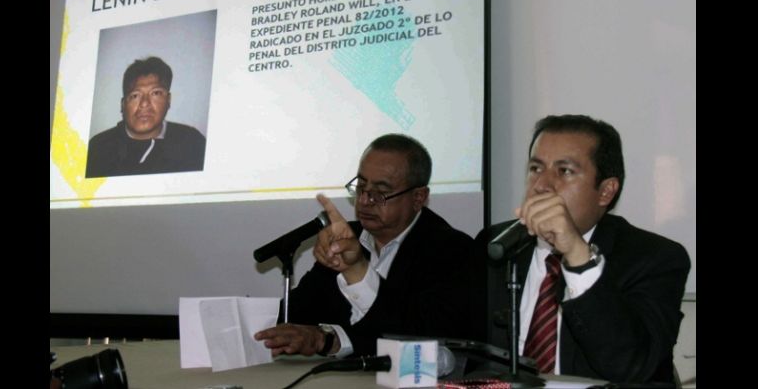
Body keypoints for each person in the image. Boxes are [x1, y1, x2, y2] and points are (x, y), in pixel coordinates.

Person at [477, 114, 690, 384]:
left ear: (606, 191)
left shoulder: (655, 258)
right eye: (536, 168)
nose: (541, 185)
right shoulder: (497, 244)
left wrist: (578, 257)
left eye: (564, 171)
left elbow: (631, 367)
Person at [255, 134, 483, 357]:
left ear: (418, 198)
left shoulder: (452, 251)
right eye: (361, 187)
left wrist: (331, 339)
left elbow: (425, 339)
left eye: (380, 193)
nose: (364, 201)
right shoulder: (347, 238)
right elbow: (296, 317)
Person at [85, 56, 207, 178]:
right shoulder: (98, 148)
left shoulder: (192, 143)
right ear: (123, 105)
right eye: (135, 95)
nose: (144, 103)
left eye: (156, 93)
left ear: (168, 100)